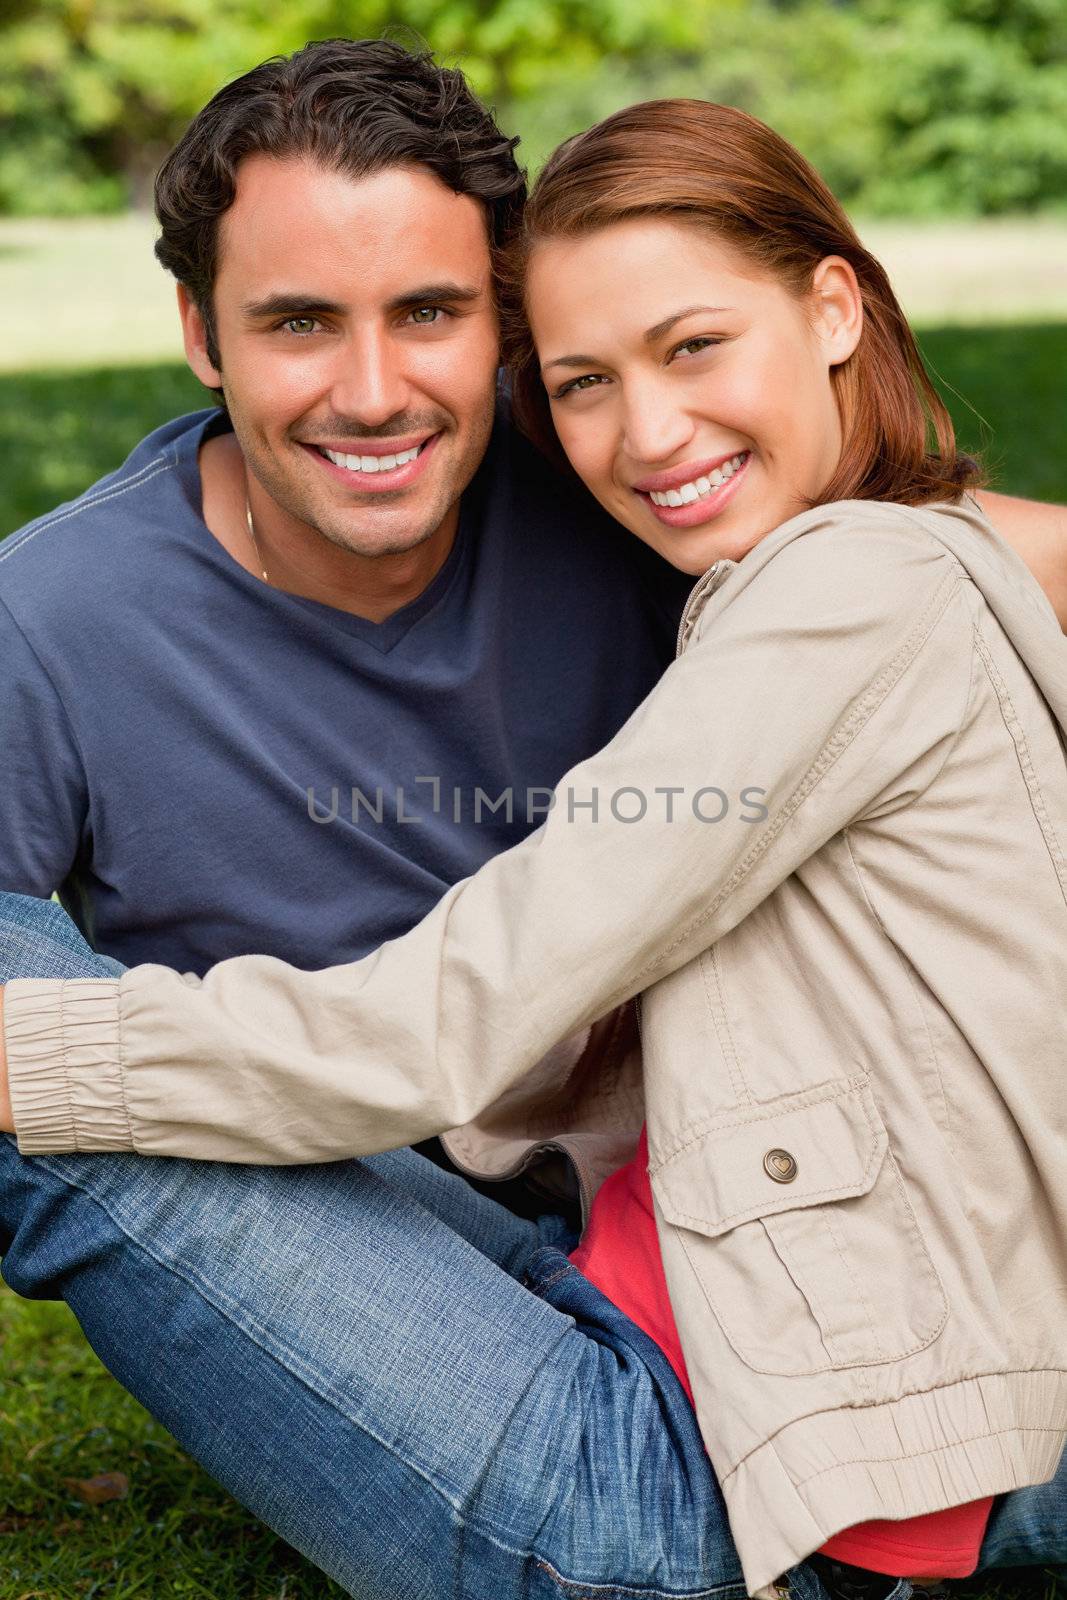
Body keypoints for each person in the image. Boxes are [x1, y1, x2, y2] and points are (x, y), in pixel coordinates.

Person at [3, 90, 1067, 1600]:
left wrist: (36, 1061)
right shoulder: (61, 618)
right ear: (201, 331)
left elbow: (436, 1021)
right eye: (300, 321)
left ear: (834, 306)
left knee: (40, 1067)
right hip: (549, 1262)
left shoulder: (778, 560)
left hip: (709, 1465)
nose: (374, 392)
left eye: (430, 312)